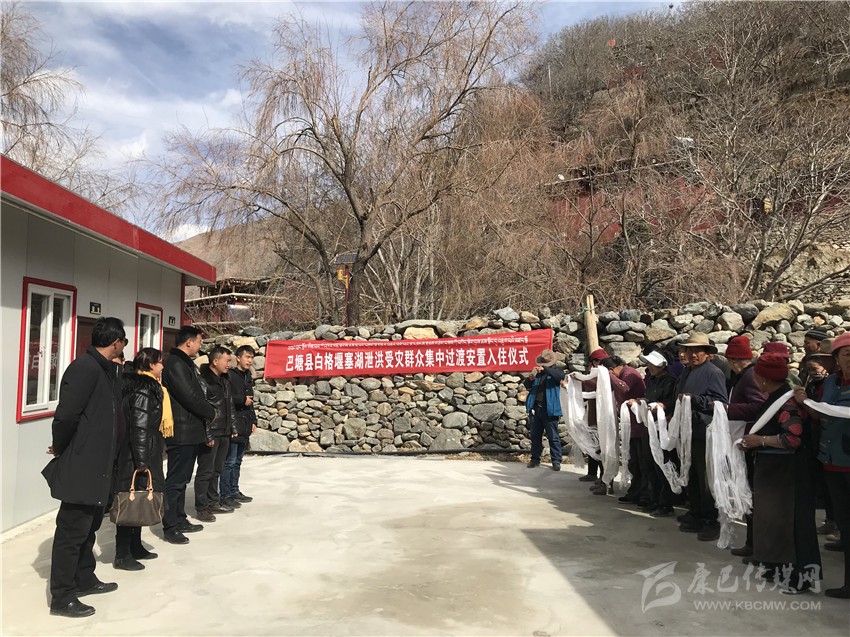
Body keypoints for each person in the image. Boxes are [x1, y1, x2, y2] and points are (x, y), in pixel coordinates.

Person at [42, 317, 125, 618]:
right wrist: (61, 447)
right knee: (72, 531)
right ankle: (62, 596)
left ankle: (84, 578)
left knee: (90, 527)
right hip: (82, 462)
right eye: (124, 341)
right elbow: (66, 416)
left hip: (99, 464)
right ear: (116, 342)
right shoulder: (84, 368)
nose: (124, 346)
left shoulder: (106, 370)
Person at [742, 353, 820, 595]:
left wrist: (760, 440)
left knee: (793, 523)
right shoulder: (774, 398)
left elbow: (792, 439)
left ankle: (801, 577)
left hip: (788, 471)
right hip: (773, 470)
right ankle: (777, 566)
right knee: (774, 522)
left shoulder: (787, 402)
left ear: (763, 378)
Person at [796, 331, 850, 598]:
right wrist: (804, 402)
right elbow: (820, 415)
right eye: (847, 354)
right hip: (831, 461)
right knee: (845, 522)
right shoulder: (830, 383)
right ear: (837, 358)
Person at [113, 348, 170, 571]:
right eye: (160, 362)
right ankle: (122, 554)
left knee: (139, 499)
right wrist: (142, 461)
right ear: (150, 364)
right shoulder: (144, 390)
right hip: (137, 454)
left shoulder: (143, 386)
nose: (162, 366)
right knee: (131, 501)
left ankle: (135, 546)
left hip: (142, 451)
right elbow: (140, 427)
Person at [161, 326, 215, 545]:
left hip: (190, 430)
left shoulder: (184, 363)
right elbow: (190, 396)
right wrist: (211, 412)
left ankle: (180, 518)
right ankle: (170, 526)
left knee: (183, 479)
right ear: (189, 342)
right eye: (199, 341)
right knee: (175, 481)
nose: (200, 346)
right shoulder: (176, 364)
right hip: (181, 432)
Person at [676, 333, 728, 542]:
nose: (692, 354)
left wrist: (696, 400)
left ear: (706, 353)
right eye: (689, 350)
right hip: (688, 430)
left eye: (697, 351)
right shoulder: (687, 371)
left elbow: (720, 402)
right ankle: (696, 512)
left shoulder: (713, 373)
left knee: (706, 478)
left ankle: (711, 520)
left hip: (704, 431)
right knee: (692, 474)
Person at [723, 335, 767, 558]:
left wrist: (726, 409)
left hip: (748, 438)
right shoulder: (742, 376)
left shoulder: (749, 377)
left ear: (733, 360)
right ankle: (752, 543)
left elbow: (757, 406)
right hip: (742, 436)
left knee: (751, 493)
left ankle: (754, 544)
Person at [196, 346, 238, 521]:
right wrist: (207, 434)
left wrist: (233, 427)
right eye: (226, 361)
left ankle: (213, 501)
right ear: (215, 361)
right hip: (212, 432)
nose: (229, 364)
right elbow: (202, 409)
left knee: (217, 470)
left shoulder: (225, 380)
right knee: (206, 471)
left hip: (224, 431)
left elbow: (230, 406)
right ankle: (201, 507)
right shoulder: (203, 381)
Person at [638, 350, 678, 517]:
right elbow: (650, 397)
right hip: (650, 425)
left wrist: (662, 406)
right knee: (650, 464)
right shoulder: (653, 380)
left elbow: (671, 402)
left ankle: (665, 503)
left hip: (662, 426)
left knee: (662, 464)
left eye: (653, 364)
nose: (650, 367)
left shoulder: (671, 381)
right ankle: (654, 499)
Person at [804, 340, 838, 537]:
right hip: (819, 440)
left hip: (834, 442)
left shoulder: (834, 383)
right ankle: (832, 520)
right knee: (826, 484)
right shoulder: (817, 383)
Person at [222, 345, 258, 507]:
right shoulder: (230, 375)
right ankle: (225, 494)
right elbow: (227, 398)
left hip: (245, 422)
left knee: (237, 461)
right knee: (229, 461)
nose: (250, 361)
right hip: (234, 423)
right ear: (238, 358)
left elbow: (251, 401)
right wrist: (242, 400)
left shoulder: (247, 375)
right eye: (247, 357)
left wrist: (253, 420)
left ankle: (234, 491)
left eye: (252, 358)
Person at [523, 349, 565, 471]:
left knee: (553, 436)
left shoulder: (556, 371)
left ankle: (556, 460)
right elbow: (527, 385)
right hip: (536, 408)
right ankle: (535, 459)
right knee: (535, 436)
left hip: (550, 409)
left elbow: (560, 376)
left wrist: (545, 369)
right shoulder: (538, 373)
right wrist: (530, 379)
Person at [579, 348, 611, 485]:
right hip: (592, 417)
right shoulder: (591, 376)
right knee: (593, 446)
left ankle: (604, 477)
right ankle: (592, 473)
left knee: (603, 449)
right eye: (598, 361)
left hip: (604, 418)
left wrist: (581, 380)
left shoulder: (607, 375)